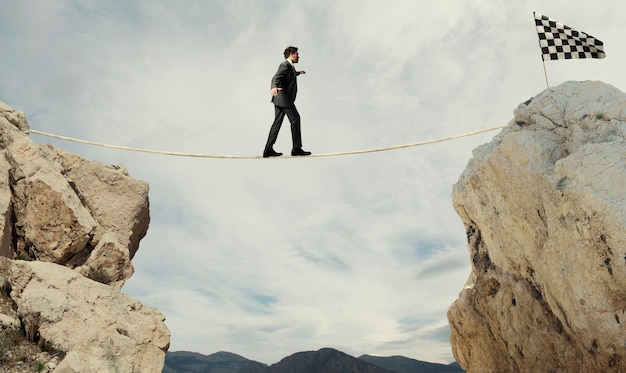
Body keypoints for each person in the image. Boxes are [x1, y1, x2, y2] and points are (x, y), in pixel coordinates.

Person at [263, 46, 312, 157]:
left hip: (279, 100)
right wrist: (273, 87)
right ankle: (296, 149)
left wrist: (298, 73)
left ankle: (268, 149)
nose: (298, 56)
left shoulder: (290, 67)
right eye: (297, 54)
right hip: (284, 99)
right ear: (291, 54)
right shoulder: (284, 65)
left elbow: (291, 74)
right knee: (295, 119)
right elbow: (275, 78)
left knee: (277, 123)